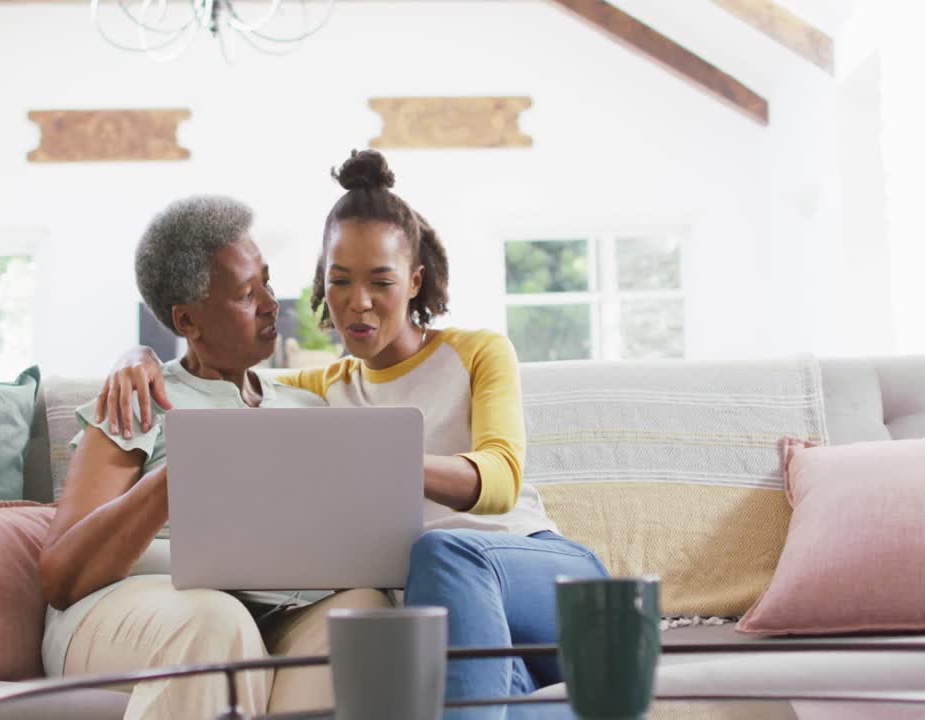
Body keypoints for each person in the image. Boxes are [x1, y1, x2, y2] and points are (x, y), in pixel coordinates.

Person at [96, 150, 609, 705]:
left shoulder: (478, 352)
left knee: (438, 551)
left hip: (553, 584)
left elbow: (501, 478)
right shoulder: (318, 391)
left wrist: (384, 462)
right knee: (438, 664)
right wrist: (137, 353)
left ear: (414, 281)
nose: (357, 304)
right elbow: (221, 374)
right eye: (340, 281)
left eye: (380, 282)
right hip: (457, 621)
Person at [38, 194, 391, 720]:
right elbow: (62, 577)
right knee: (217, 621)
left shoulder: (307, 407)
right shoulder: (138, 398)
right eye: (249, 295)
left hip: (271, 613)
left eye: (267, 282)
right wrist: (182, 475)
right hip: (127, 611)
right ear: (188, 321)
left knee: (365, 612)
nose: (273, 304)